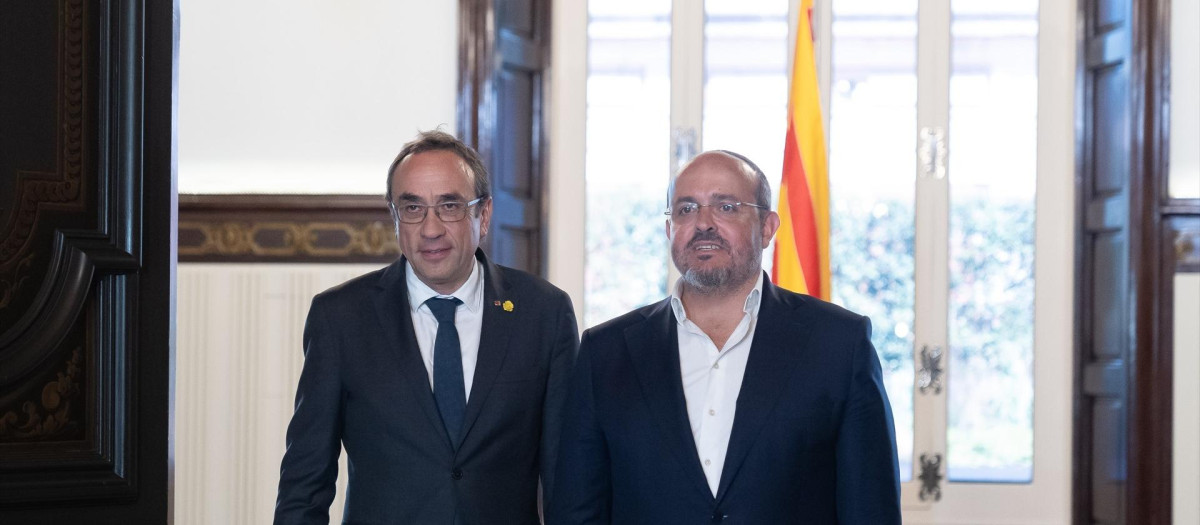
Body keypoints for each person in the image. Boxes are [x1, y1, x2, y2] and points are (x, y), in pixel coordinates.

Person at [549, 151, 901, 524]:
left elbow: (870, 509)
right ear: (670, 230)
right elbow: (577, 512)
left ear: (767, 228)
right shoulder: (606, 353)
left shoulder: (838, 344)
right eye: (686, 209)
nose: (703, 223)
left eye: (726, 207)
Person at [275, 130, 579, 524]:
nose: (431, 229)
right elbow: (304, 482)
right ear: (395, 217)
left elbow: (567, 477)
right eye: (413, 208)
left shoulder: (544, 314)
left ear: (482, 215)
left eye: (449, 206)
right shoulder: (341, 319)